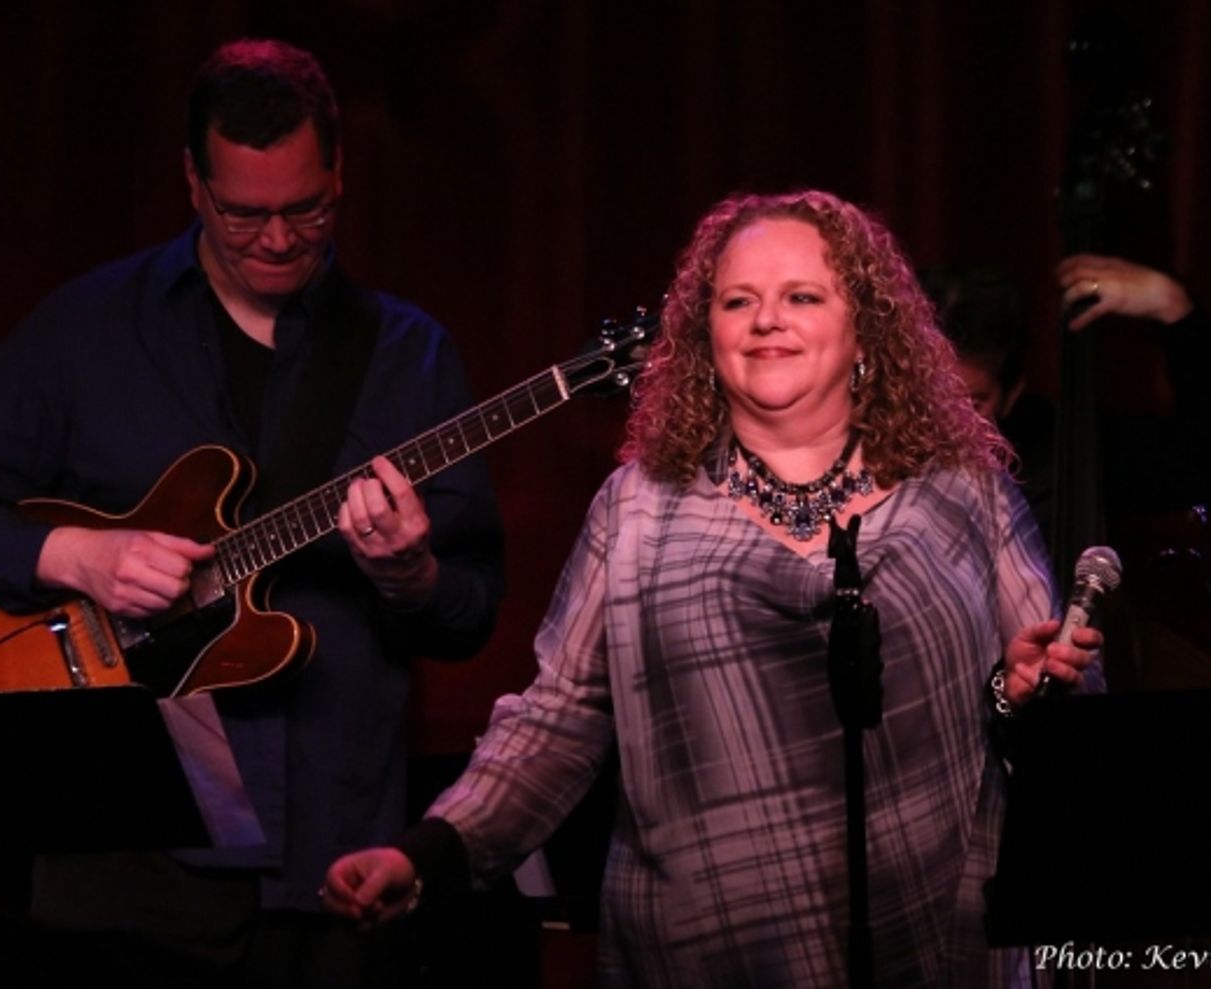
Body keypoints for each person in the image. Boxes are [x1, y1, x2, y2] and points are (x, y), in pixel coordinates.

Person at [322, 190, 1102, 986]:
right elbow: (558, 722)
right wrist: (427, 853)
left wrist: (1017, 690)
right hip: (701, 952)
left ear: (866, 326)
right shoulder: (638, 507)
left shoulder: (963, 491)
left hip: (933, 940)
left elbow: (1063, 705)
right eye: (738, 301)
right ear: (705, 333)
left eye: (802, 297)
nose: (767, 320)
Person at [0, 39, 503, 987]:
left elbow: (470, 613)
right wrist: (76, 555)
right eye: (244, 213)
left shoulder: (407, 355)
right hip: (121, 857)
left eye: (308, 208)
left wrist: (411, 574)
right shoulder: (88, 329)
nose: (280, 239)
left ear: (339, 173)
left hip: (333, 853)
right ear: (193, 182)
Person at [922, 257, 1211, 540]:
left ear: (1012, 394)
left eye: (972, 404)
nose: (941, 424)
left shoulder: (1060, 455)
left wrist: (1172, 308)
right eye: (923, 397)